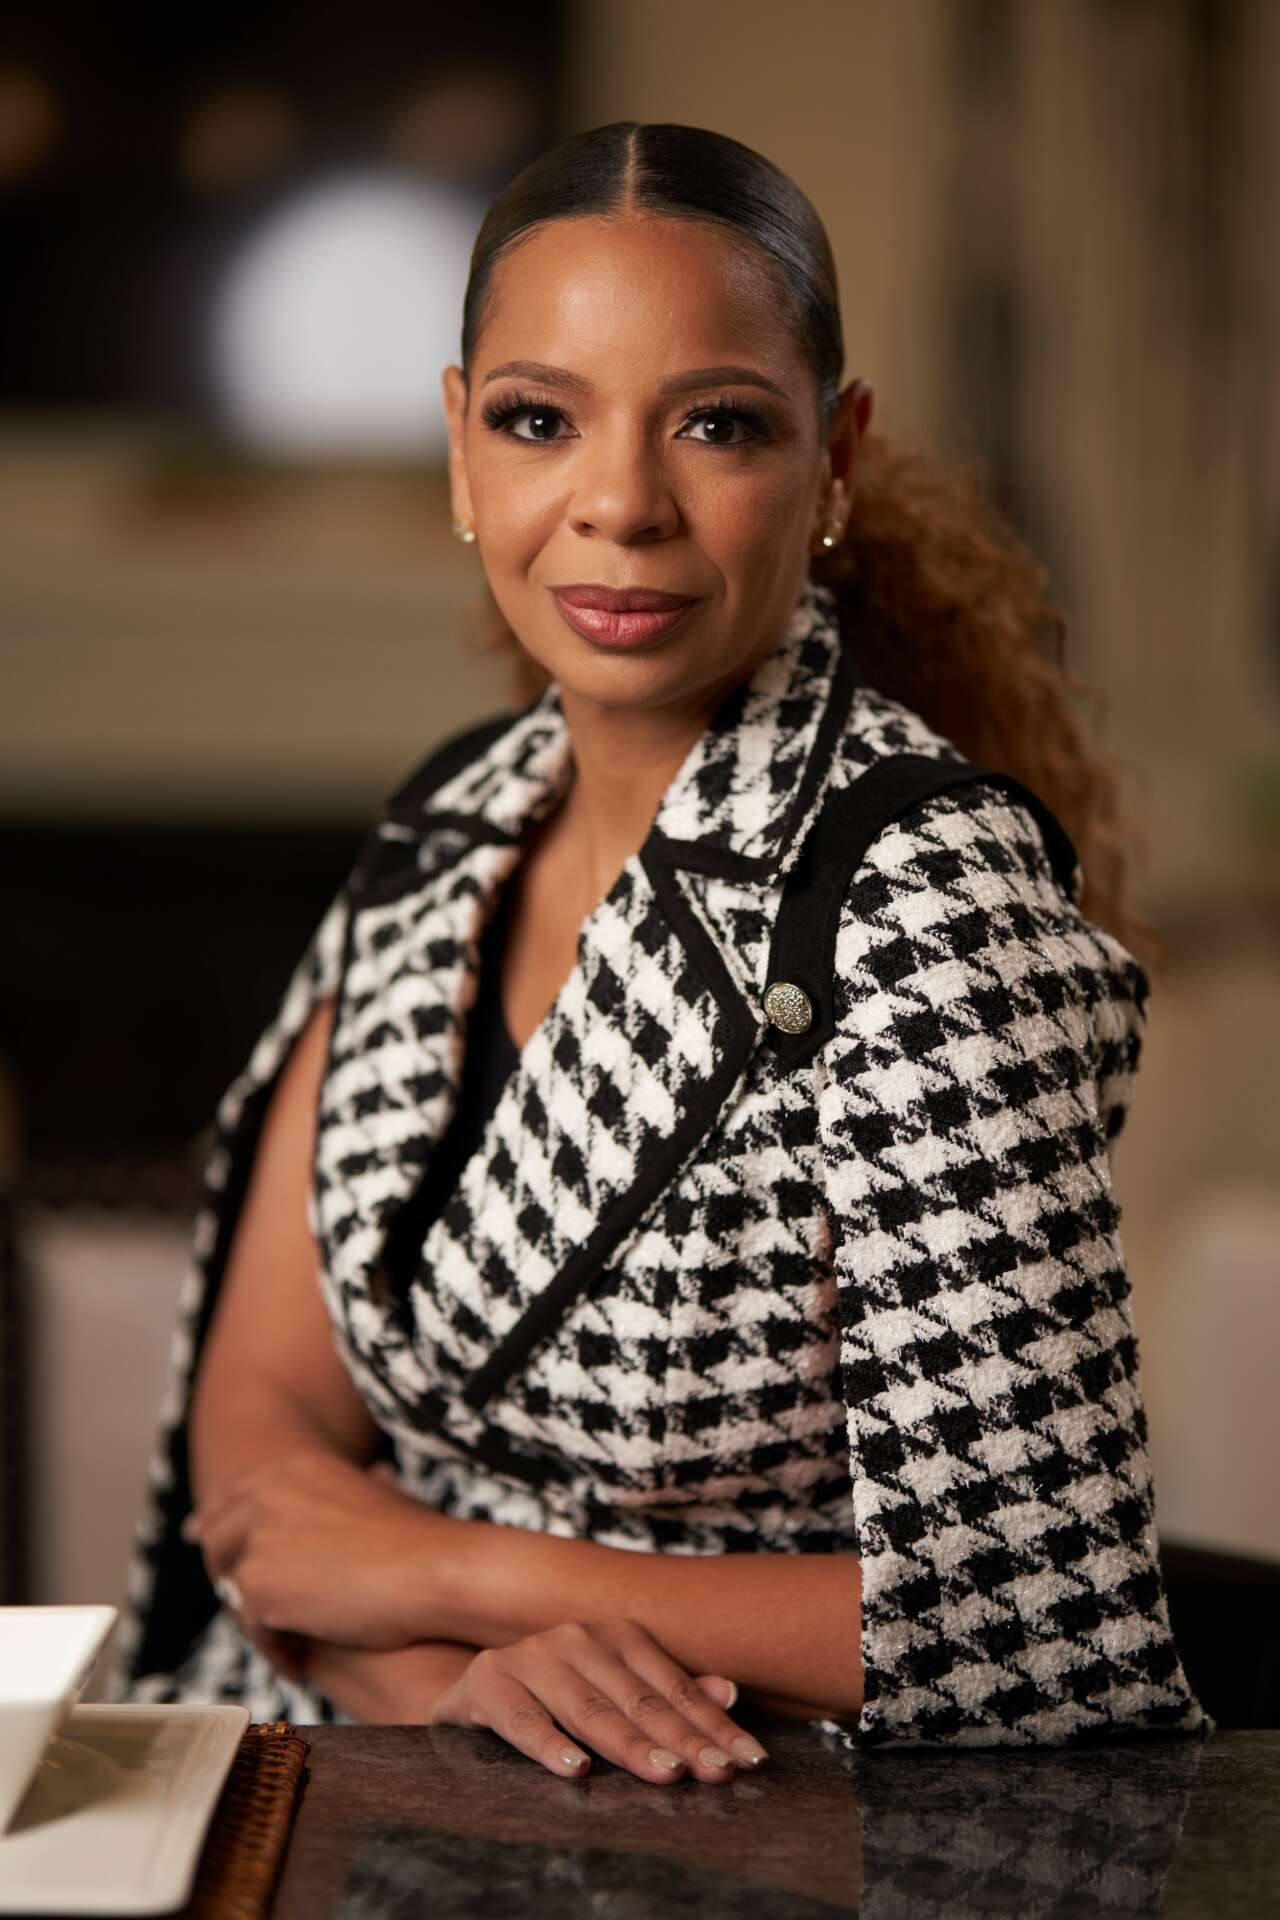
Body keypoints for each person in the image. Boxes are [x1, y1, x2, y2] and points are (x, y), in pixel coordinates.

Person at [101, 121, 1213, 1776]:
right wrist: (440, 1679)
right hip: (370, 1754)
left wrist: (451, 1571)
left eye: (718, 423)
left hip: (748, 1826)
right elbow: (264, 1428)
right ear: (462, 453)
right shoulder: (448, 828)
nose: (619, 503)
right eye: (538, 419)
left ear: (835, 461)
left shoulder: (924, 896)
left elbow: (1046, 1617)